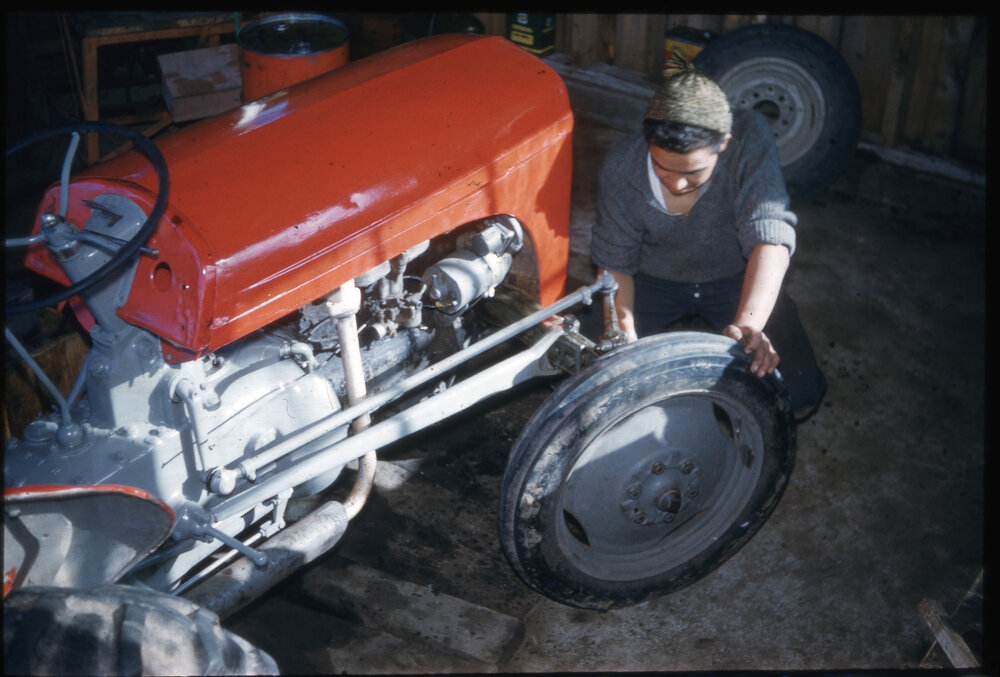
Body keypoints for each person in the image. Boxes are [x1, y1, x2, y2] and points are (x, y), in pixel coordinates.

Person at [591, 54, 826, 420]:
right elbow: (614, 264)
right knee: (586, 378)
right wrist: (623, 336)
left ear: (724, 144)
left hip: (732, 276)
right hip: (652, 280)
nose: (677, 183)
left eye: (693, 173)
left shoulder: (750, 140)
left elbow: (770, 236)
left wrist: (750, 324)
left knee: (796, 390)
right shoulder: (622, 166)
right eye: (661, 168)